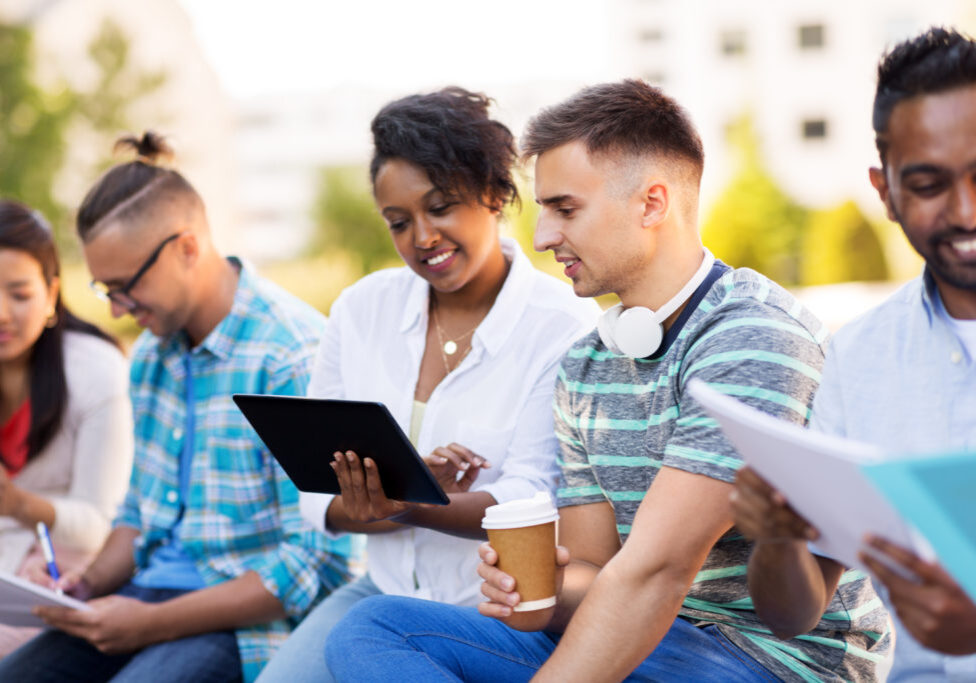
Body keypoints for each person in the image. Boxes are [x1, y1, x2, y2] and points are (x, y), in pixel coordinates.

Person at [323, 80, 890, 682]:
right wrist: (539, 592)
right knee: (374, 629)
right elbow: (594, 571)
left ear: (651, 203)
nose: (541, 237)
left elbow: (657, 571)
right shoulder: (586, 363)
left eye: (565, 209)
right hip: (648, 637)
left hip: (761, 658)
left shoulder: (752, 338)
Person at [257, 87, 599, 682]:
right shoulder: (361, 310)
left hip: (494, 611)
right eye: (398, 222)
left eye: (440, 207)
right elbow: (315, 496)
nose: (422, 238)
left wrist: (411, 504)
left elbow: (530, 499)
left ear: (493, 195)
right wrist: (387, 500)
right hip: (379, 591)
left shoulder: (562, 327)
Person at [0, 133, 353, 683]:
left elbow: (314, 563)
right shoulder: (150, 357)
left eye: (126, 287)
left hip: (244, 621)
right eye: (104, 289)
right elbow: (139, 516)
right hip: (144, 597)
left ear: (187, 248)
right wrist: (86, 587)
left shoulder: (290, 354)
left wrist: (151, 623)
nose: (116, 307)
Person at [731, 27, 976, 680]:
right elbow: (794, 612)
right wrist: (775, 536)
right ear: (885, 190)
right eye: (928, 183)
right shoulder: (859, 357)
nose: (966, 211)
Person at [0, 200, 132, 655]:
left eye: (19, 294)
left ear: (51, 293)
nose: (1, 313)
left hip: (61, 570)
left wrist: (18, 503)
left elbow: (104, 524)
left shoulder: (95, 371)